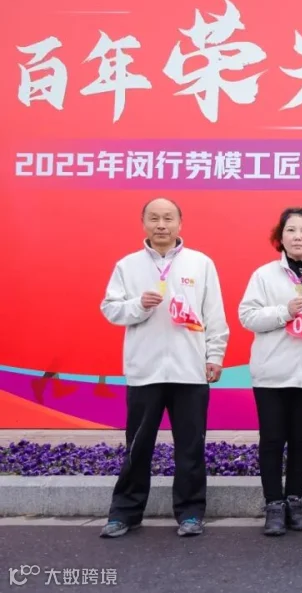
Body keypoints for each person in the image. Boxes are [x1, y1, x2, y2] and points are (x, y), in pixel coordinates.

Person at [98, 198, 229, 538]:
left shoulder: (200, 263)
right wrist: (138, 305)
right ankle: (125, 513)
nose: (161, 225)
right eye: (154, 218)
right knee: (138, 445)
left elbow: (214, 314)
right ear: (143, 223)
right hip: (145, 371)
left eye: (168, 218)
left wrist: (214, 356)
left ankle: (190, 513)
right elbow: (110, 309)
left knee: (190, 446)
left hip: (190, 371)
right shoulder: (127, 265)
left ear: (180, 223)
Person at [238, 207, 302, 536]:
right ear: (280, 237)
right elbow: (247, 316)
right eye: (291, 230)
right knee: (273, 439)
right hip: (272, 372)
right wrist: (284, 312)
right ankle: (273, 504)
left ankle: (294, 500)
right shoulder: (264, 275)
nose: (297, 237)